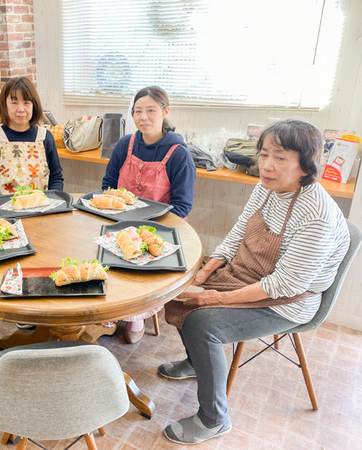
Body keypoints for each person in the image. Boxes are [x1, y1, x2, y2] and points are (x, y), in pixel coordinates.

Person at [158, 119, 350, 445]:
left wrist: (212, 298)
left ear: (306, 166)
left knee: (201, 323)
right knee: (178, 289)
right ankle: (197, 362)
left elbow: (285, 285)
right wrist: (202, 274)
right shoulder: (267, 187)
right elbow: (238, 233)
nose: (266, 165)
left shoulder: (316, 214)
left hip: (289, 300)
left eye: (280, 157)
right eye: (264, 154)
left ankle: (214, 419)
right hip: (251, 274)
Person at [102, 86, 196, 343]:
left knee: (138, 264)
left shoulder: (178, 153)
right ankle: (107, 309)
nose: (143, 117)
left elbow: (182, 206)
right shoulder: (125, 145)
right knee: (98, 250)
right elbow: (107, 185)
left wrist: (144, 230)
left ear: (165, 112)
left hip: (159, 230)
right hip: (120, 222)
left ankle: (136, 315)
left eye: (151, 110)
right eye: (138, 111)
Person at [0, 76, 64, 200]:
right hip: (3, 208)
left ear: (34, 105)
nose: (21, 109)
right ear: (4, 105)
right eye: (14, 103)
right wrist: (4, 206)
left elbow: (56, 178)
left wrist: (52, 201)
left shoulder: (45, 137)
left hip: (43, 206)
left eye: (26, 102)